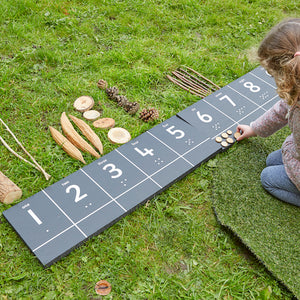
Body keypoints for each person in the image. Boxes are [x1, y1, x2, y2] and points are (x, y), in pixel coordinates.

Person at [236, 18, 300, 206]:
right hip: (296, 150)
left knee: (268, 178)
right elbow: (282, 110)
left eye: (272, 75)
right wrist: (254, 129)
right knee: (272, 160)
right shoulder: (296, 90)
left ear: (286, 75)